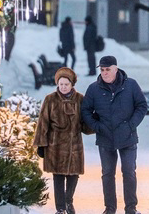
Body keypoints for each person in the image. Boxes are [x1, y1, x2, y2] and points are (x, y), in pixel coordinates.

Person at [81, 56, 148, 214]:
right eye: (102, 70)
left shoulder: (130, 85)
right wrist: (97, 126)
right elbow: (85, 111)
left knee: (129, 172)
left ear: (116, 69)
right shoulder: (94, 89)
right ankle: (110, 208)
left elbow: (142, 105)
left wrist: (131, 125)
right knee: (107, 173)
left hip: (127, 137)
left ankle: (131, 208)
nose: (104, 73)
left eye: (108, 69)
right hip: (105, 138)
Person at [34, 68, 91, 214]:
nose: (64, 87)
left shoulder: (80, 99)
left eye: (66, 84)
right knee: (58, 177)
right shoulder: (50, 99)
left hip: (74, 145)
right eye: (61, 84)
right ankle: (60, 208)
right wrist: (41, 144)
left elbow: (85, 124)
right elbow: (43, 122)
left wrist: (96, 122)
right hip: (55, 145)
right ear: (57, 84)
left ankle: (68, 201)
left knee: (73, 175)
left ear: (72, 84)